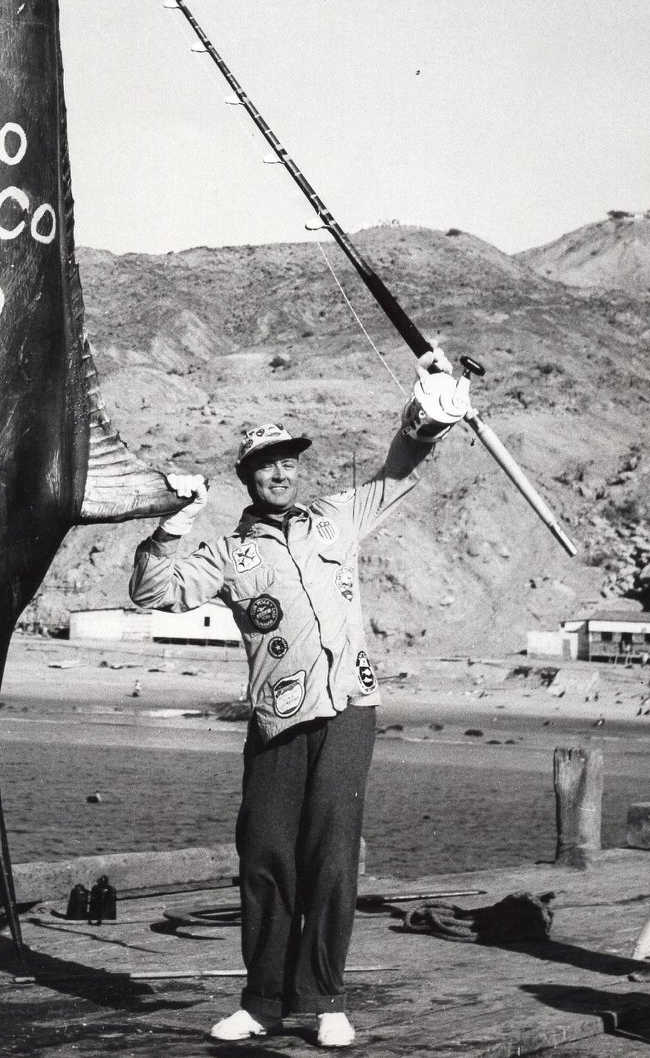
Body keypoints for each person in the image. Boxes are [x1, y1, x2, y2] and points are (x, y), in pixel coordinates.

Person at [130, 350, 472, 1048]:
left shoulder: (337, 519)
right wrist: (172, 524)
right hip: (276, 718)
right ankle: (261, 1002)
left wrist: (428, 415)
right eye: (266, 463)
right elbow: (151, 593)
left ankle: (325, 1000)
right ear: (247, 478)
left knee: (333, 857)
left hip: (348, 708)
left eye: (288, 460)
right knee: (263, 856)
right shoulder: (227, 554)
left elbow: (399, 469)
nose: (280, 472)